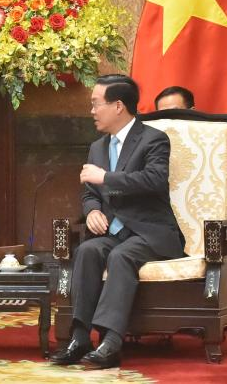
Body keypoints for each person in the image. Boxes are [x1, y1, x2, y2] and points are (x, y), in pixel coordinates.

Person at [50, 74, 185, 369]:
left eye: (96, 104)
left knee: (121, 256)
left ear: (118, 106)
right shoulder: (98, 147)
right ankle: (80, 337)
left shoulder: (153, 139)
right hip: (113, 232)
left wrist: (106, 178)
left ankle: (111, 342)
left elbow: (154, 180)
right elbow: (90, 193)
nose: (92, 111)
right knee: (87, 250)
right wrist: (92, 211)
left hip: (150, 233)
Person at [153, 85, 227, 215]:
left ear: (192, 112)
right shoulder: (149, 147)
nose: (169, 120)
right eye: (162, 115)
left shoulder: (217, 143)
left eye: (175, 113)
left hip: (210, 219)